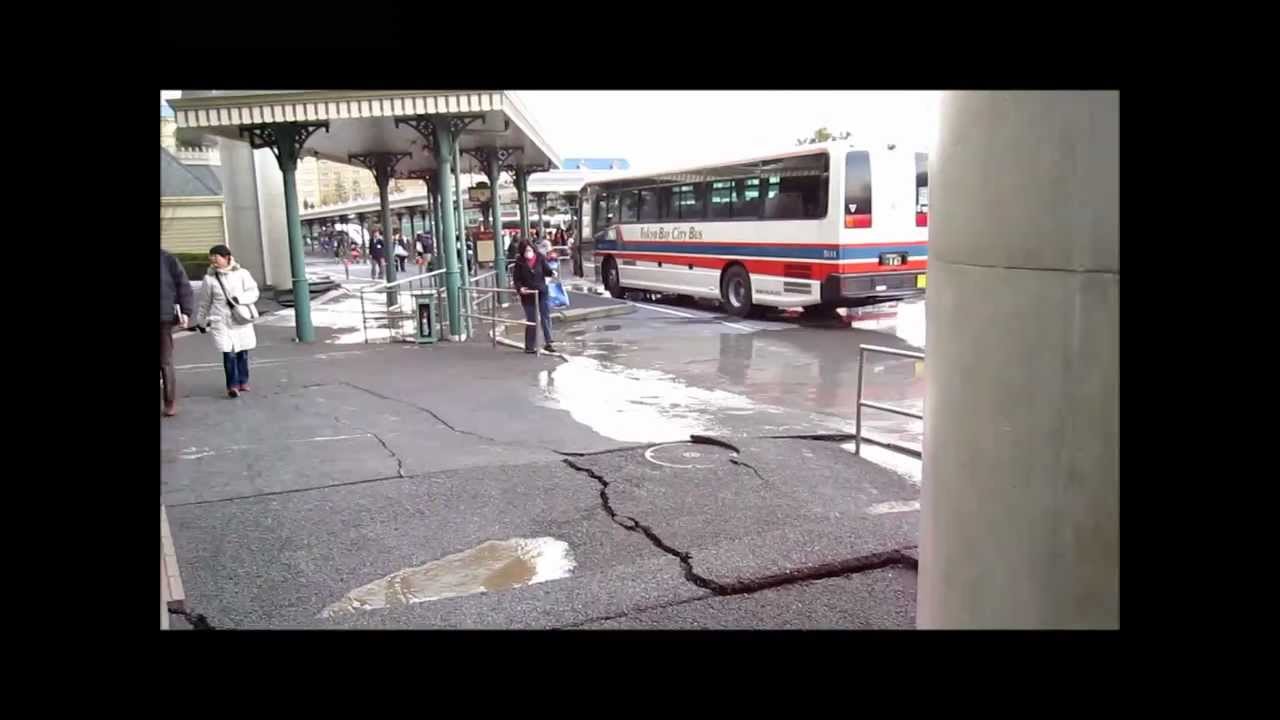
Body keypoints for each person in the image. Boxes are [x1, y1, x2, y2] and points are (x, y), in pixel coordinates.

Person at [195, 245, 260, 398]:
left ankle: (243, 380)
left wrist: (239, 299)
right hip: (221, 321)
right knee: (228, 353)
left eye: (216, 257)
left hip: (240, 318)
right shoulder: (209, 279)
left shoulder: (242, 274)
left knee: (242, 352)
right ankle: (232, 385)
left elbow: (254, 292)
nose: (214, 261)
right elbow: (204, 302)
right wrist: (201, 321)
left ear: (227, 258)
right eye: (211, 258)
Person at [160, 248, 195, 417]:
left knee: (165, 360)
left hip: (163, 317)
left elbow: (183, 286)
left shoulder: (167, 259)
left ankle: (169, 401)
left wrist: (186, 312)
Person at [511, 238, 556, 354]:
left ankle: (548, 342)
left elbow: (546, 270)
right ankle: (530, 346)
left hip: (541, 292)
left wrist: (552, 272)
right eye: (526, 251)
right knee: (532, 320)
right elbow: (516, 279)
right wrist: (520, 288)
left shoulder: (540, 258)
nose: (528, 253)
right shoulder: (519, 262)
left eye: (530, 250)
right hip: (528, 295)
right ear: (522, 252)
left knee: (545, 316)